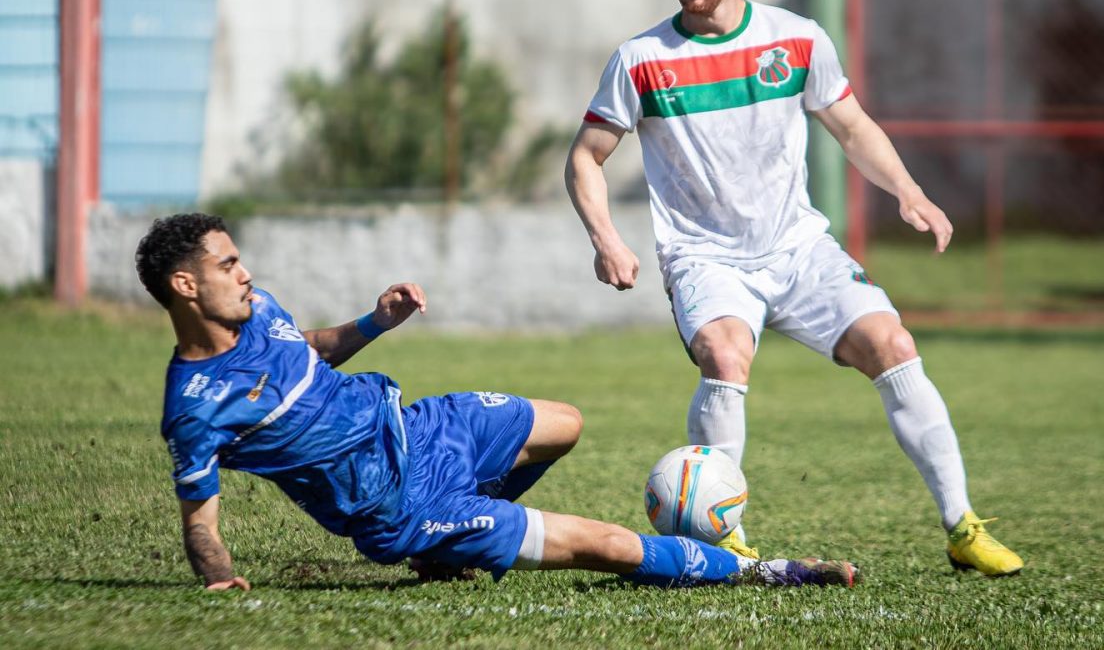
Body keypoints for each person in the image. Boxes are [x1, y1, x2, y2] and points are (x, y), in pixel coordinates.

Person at [564, 0, 1023, 576]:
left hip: (798, 247)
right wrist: (606, 237)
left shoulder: (796, 38)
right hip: (705, 256)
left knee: (892, 344)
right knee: (725, 355)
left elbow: (851, 125)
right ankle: (724, 542)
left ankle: (961, 526)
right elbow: (585, 157)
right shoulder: (641, 61)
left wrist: (909, 191)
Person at [136, 212, 857, 591]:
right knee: (601, 546)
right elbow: (199, 522)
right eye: (227, 264)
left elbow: (309, 349)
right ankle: (768, 570)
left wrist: (374, 322)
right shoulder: (195, 406)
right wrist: (221, 576)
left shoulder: (259, 310)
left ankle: (455, 543)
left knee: (565, 425)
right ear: (186, 287)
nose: (247, 271)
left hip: (418, 428)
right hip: (397, 508)